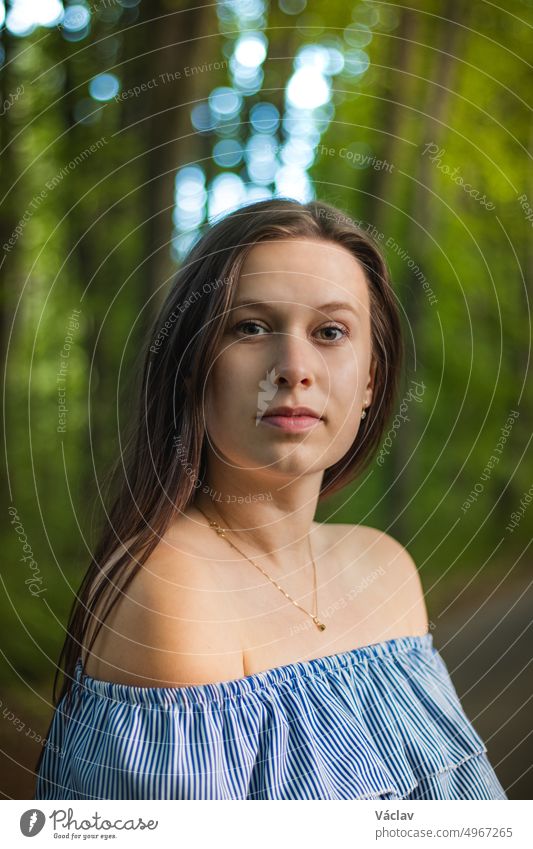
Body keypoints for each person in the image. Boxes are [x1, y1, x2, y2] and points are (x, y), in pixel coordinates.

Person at [34, 197, 507, 800]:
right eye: (251, 327)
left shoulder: (386, 568)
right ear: (191, 369)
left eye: (331, 332)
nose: (293, 368)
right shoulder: (174, 594)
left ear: (369, 382)